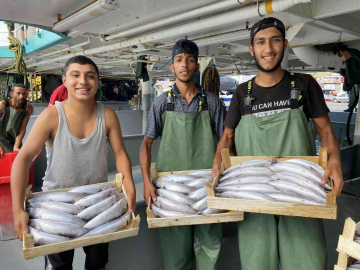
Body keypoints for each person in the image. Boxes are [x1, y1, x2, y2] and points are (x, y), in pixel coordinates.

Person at [212, 17, 343, 270]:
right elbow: (227, 139)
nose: (268, 49)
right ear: (252, 49)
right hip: (254, 195)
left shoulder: (305, 85)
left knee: (308, 262)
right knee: (257, 262)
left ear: (284, 44)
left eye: (274, 41)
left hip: (301, 192)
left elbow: (326, 131)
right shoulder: (242, 93)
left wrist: (335, 159)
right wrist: (218, 162)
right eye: (260, 42)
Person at [11, 55, 136, 270]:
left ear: (97, 81)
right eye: (75, 75)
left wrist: (129, 185)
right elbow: (22, 160)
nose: (83, 81)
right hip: (55, 206)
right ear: (64, 80)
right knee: (59, 267)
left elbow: (121, 153)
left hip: (96, 202)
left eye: (90, 76)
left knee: (97, 264)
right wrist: (17, 208)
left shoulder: (107, 115)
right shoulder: (52, 115)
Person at [139, 39, 227, 270]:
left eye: (190, 60)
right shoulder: (161, 103)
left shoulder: (212, 102)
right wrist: (147, 181)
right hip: (172, 190)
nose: (184, 65)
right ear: (172, 66)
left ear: (197, 66)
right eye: (179, 60)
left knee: (210, 244)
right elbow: (146, 144)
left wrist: (224, 173)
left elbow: (227, 141)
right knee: (175, 249)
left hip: (206, 186)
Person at [0, 83, 33, 157]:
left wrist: (16, 146)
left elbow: (22, 130)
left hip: (14, 140)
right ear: (11, 94)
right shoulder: (3, 105)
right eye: (18, 93)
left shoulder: (28, 108)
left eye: (24, 94)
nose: (21, 96)